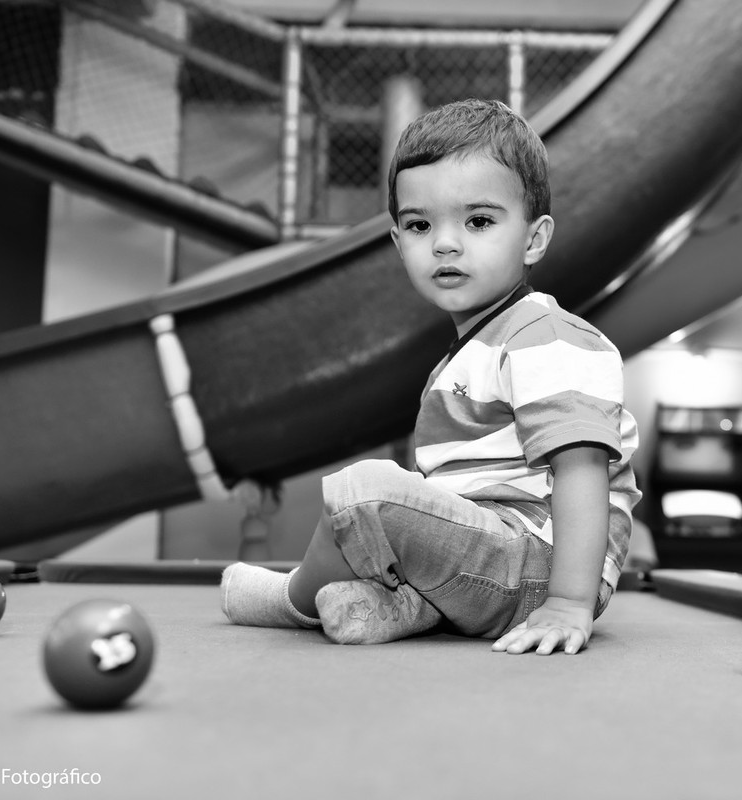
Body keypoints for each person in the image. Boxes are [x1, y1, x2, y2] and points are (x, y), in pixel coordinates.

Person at [220, 98, 640, 655]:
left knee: (364, 492)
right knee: (406, 498)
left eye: (479, 221)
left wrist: (567, 601)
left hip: (541, 564)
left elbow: (582, 468)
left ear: (534, 239)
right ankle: (405, 607)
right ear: (399, 244)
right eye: (420, 225)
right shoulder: (464, 355)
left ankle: (291, 599)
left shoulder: (546, 335)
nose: (445, 242)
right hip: (483, 560)